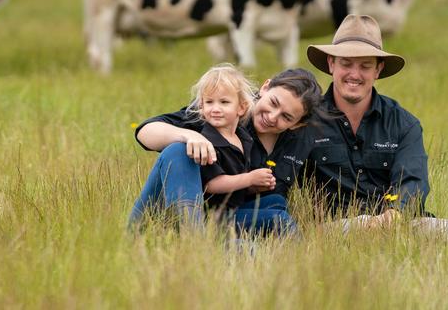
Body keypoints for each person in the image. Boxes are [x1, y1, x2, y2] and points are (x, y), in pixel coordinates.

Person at [302, 14, 448, 237]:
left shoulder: (404, 123)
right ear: (331, 63)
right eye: (346, 63)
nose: (354, 74)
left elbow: (413, 180)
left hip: (399, 222)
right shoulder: (306, 120)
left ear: (378, 70)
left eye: (365, 66)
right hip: (335, 228)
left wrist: (393, 216)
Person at [129, 65, 324, 235]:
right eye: (273, 103)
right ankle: (192, 238)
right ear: (265, 87)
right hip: (186, 211)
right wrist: (190, 135)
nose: (272, 117)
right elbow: (145, 132)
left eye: (286, 117)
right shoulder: (221, 112)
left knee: (276, 204)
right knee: (178, 150)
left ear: (297, 124)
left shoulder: (300, 142)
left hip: (231, 215)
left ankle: (227, 245)